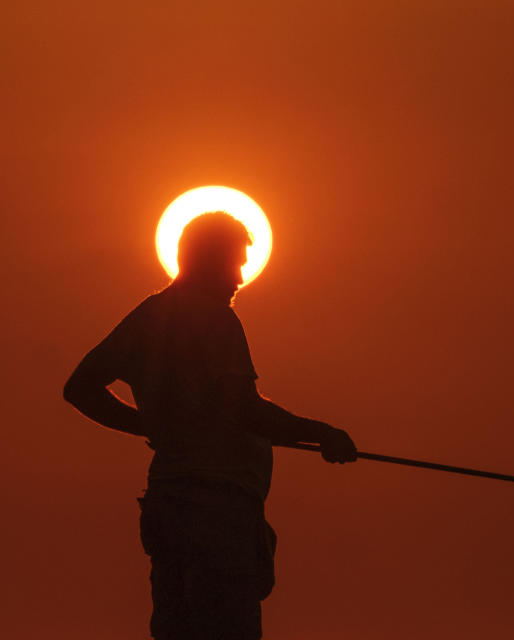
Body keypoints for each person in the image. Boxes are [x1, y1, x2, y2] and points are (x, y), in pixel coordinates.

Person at [63, 211, 357, 640]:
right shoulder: (215, 320)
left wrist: (151, 424)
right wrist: (323, 434)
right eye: (234, 262)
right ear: (207, 260)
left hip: (170, 505)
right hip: (218, 512)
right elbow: (245, 410)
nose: (240, 276)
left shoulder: (149, 315)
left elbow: (80, 387)